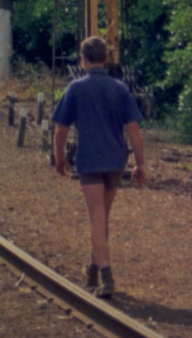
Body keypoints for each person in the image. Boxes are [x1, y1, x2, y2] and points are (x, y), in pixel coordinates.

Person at [52, 35, 145, 298]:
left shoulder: (76, 88)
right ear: (106, 59)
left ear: (83, 60)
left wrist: (59, 157)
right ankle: (93, 269)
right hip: (115, 161)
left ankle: (106, 276)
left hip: (90, 161)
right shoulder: (120, 88)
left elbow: (61, 129)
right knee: (102, 216)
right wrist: (140, 163)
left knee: (96, 217)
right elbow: (134, 129)